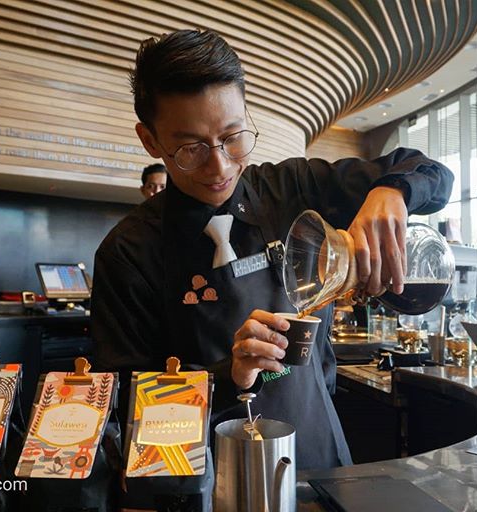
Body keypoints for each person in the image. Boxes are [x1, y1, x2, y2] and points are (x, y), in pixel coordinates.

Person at [91, 29, 453, 470]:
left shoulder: (292, 188)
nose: (219, 165)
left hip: (319, 451)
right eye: (191, 148)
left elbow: (430, 172)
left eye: (233, 136)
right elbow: (125, 399)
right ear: (150, 140)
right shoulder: (128, 252)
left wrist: (391, 191)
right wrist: (230, 376)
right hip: (203, 470)